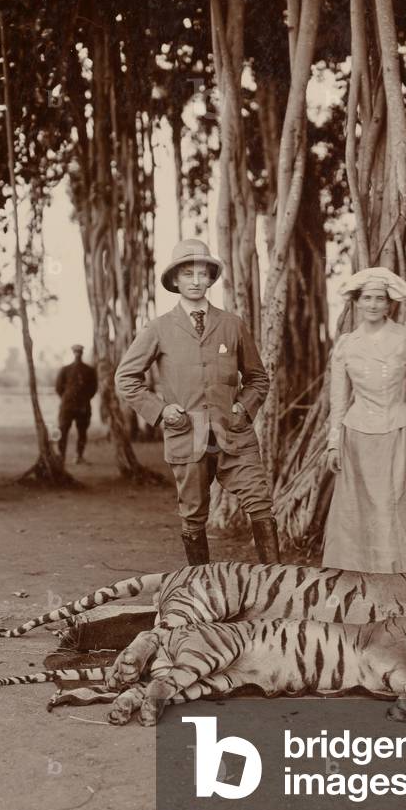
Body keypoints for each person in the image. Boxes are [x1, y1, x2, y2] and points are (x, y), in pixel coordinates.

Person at [114, 238, 280, 567]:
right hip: (187, 436)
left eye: (201, 274)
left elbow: (258, 378)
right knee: (193, 516)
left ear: (211, 279)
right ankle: (202, 593)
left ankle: (275, 587)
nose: (194, 280)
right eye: (186, 274)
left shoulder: (232, 324)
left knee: (260, 504)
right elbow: (126, 378)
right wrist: (161, 411)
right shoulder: (159, 328)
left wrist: (244, 408)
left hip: (234, 435)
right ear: (175, 280)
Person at [322, 267, 406, 573]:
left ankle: (401, 575)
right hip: (357, 435)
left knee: (396, 505)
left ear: (390, 304)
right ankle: (358, 576)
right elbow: (338, 399)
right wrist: (333, 444)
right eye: (367, 298)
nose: (373, 304)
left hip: (398, 432)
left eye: (380, 298)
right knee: (360, 509)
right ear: (356, 303)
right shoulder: (347, 344)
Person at [55, 344, 98, 464]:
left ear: (82, 353)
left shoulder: (89, 370)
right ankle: (61, 456)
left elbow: (93, 388)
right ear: (73, 353)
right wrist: (67, 399)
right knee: (63, 430)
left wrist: (84, 399)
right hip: (67, 406)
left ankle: (79, 456)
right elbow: (58, 388)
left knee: (82, 432)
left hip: (83, 406)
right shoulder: (65, 370)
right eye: (76, 352)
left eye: (79, 352)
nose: (77, 354)